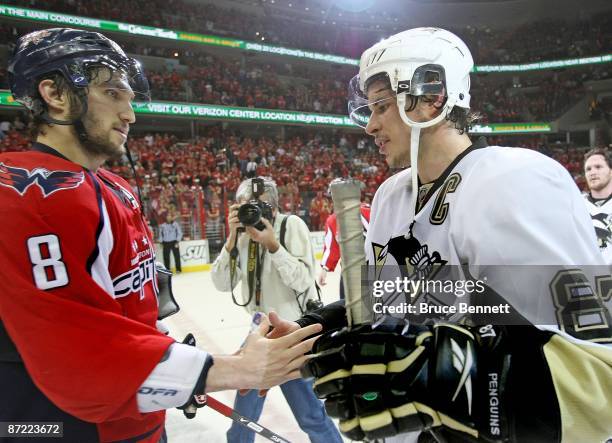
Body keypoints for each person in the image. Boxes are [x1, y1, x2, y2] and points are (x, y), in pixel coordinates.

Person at [273, 27, 612, 443]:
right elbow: (407, 299)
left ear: (432, 97)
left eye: (381, 106)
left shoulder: (514, 180)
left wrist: (457, 380)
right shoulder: (390, 196)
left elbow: (596, 375)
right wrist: (333, 324)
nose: (370, 125)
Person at [0, 28, 321, 443]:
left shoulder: (114, 187)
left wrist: (176, 375)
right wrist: (226, 371)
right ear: (55, 94)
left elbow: (132, 314)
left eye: (129, 98)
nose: (130, 113)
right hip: (57, 427)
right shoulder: (26, 191)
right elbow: (77, 358)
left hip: (136, 419)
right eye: (113, 93)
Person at [211, 177, 342, 443]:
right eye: (244, 206)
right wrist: (232, 239)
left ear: (272, 204)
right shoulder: (243, 233)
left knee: (311, 417)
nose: (252, 211)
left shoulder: (290, 225)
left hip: (291, 332)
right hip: (258, 332)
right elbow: (222, 283)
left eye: (257, 205)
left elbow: (303, 281)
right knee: (242, 416)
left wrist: (273, 245)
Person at [319, 178, 371, 300]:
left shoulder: (368, 212)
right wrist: (324, 270)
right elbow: (332, 247)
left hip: (372, 268)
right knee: (346, 309)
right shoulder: (333, 220)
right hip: (348, 271)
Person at [583, 147, 612, 264]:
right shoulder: (575, 205)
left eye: (598, 167)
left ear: (611, 171)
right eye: (588, 169)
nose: (592, 172)